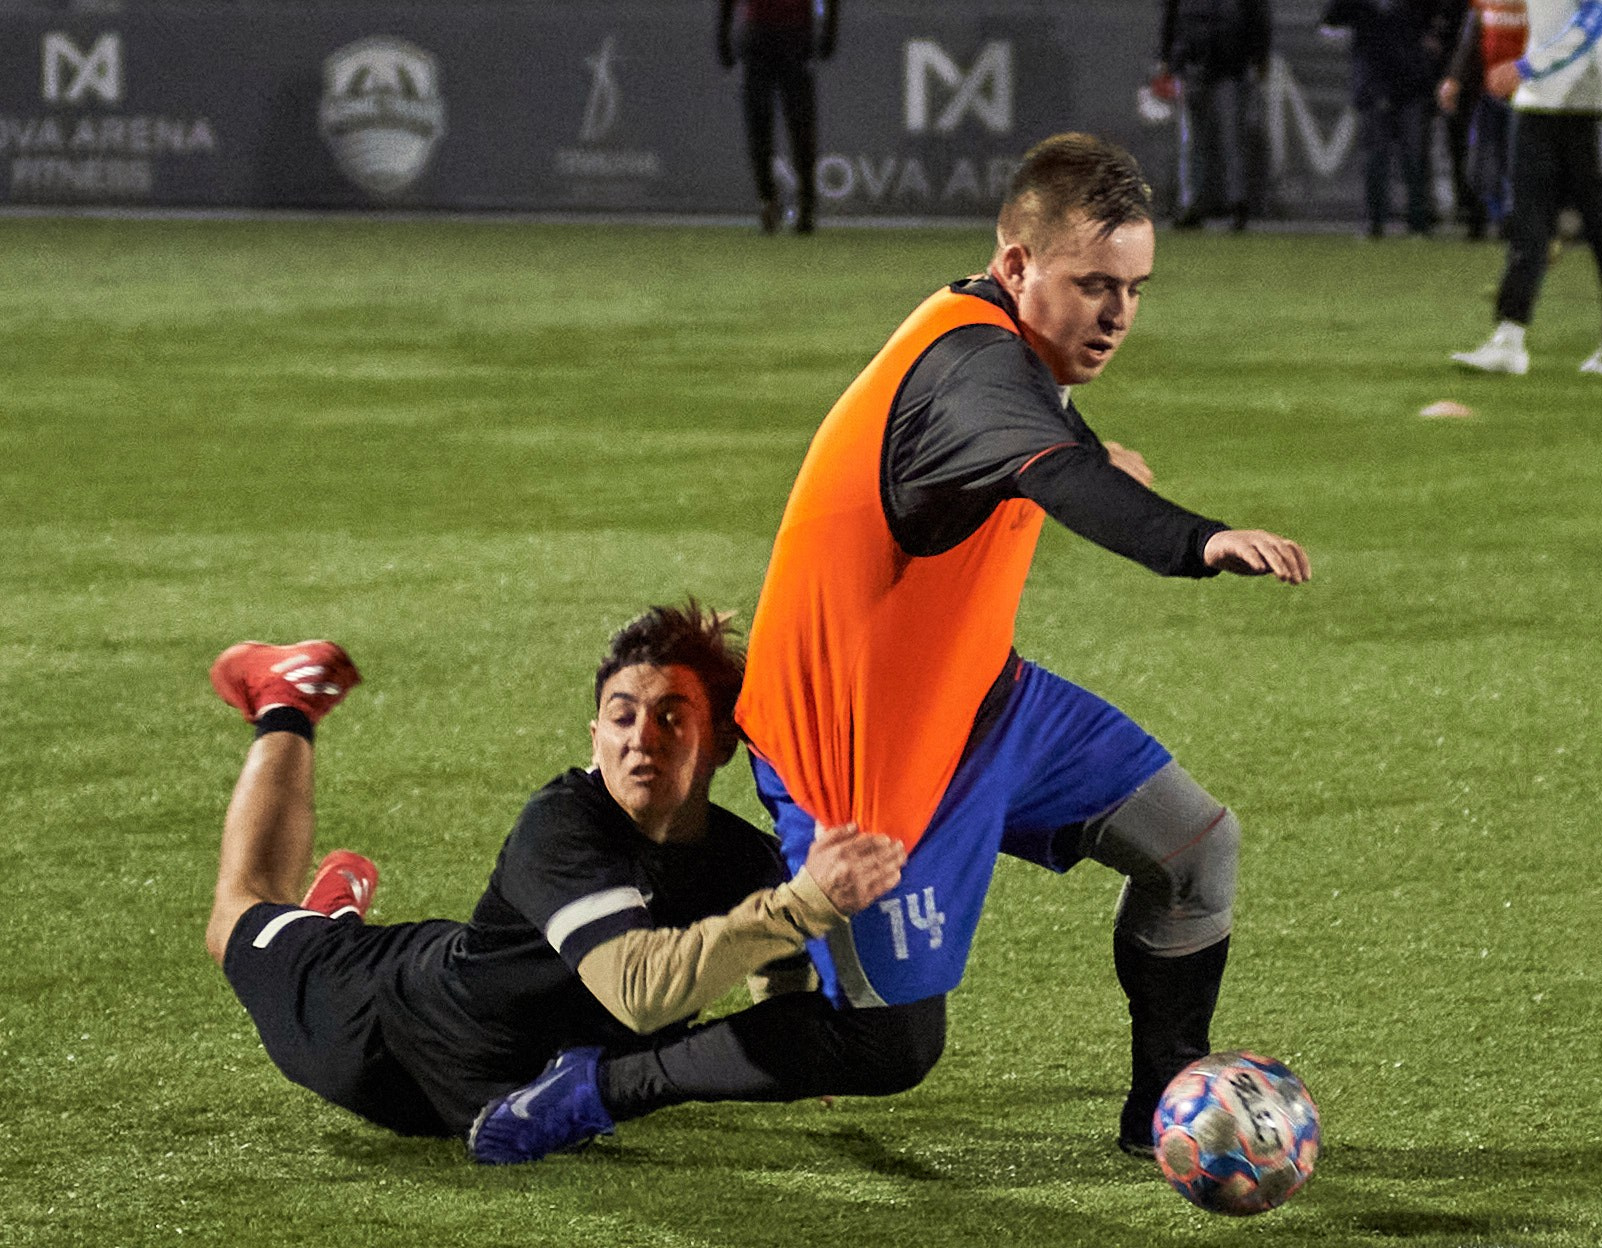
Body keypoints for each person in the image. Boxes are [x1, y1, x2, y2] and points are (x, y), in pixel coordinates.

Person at [732, 132, 1312, 1157]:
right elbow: (1053, 472)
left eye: (1133, 289)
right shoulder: (974, 371)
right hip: (853, 748)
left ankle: (1166, 1117)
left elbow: (1039, 448)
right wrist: (1198, 540)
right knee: (888, 1048)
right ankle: (610, 1070)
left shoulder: (994, 340)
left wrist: (1089, 449)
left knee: (1193, 850)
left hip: (981, 705)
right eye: (1093, 285)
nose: (1117, 314)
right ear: (1015, 265)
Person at [205, 606, 932, 1158]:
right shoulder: (560, 829)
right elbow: (642, 992)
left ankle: (330, 915)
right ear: (594, 735)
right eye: (622, 717)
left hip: (510, 1055)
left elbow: (774, 950)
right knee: (240, 910)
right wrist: (804, 904)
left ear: (720, 744)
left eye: (671, 718)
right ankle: (286, 702)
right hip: (378, 1034)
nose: (640, 739)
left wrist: (789, 1023)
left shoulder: (741, 856)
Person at [1450, 0, 1602, 376]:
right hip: (1536, 102)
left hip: (1592, 102)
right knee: (1527, 225)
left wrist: (1525, 67)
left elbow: (1591, 25)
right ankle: (1509, 338)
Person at [1319, 0, 1444, 238]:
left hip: (1412, 82)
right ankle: (1374, 220)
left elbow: (1435, 22)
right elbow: (1329, 27)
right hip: (1374, 84)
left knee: (1414, 155)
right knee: (1376, 155)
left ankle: (1418, 221)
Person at [716, 0, 838, 235]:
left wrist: (830, 30)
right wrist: (723, 34)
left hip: (792, 35)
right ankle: (769, 199)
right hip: (764, 35)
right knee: (761, 123)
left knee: (799, 125)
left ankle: (802, 203)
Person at [1155, 0, 1273, 231]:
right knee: (1196, 140)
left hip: (1228, 64)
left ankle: (1233, 204)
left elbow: (1257, 14)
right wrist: (1166, 56)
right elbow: (1170, 15)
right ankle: (1194, 204)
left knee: (1227, 139)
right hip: (1197, 62)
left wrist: (1259, 54)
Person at [1437, 0, 1529, 241]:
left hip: (1526, 95)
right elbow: (1470, 37)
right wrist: (1454, 78)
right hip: (1488, 93)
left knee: (1517, 163)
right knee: (1478, 165)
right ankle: (1489, 218)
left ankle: (1515, 224)